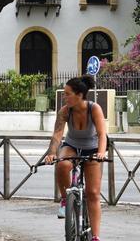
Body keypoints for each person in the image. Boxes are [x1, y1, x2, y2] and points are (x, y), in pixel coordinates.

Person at [44, 76, 108, 241]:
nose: (65, 97)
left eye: (67, 94)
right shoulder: (65, 111)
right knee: (62, 164)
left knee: (93, 193)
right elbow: (58, 134)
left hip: (92, 148)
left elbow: (102, 134)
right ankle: (66, 200)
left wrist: (101, 153)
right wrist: (51, 153)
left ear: (79, 95)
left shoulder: (94, 109)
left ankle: (95, 236)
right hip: (72, 145)